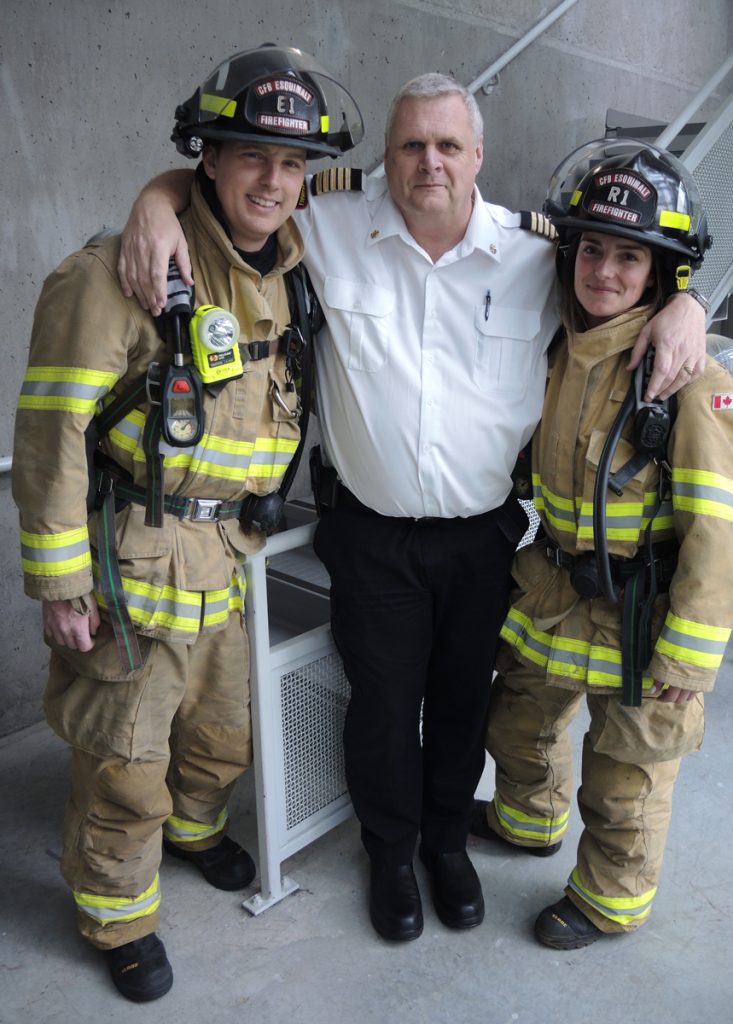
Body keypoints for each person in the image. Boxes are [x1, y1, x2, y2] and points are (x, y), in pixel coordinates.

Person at [117, 74, 709, 944]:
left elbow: (634, 264)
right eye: (409, 145)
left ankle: (444, 844)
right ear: (384, 157)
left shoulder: (540, 252)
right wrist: (152, 201)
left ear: (479, 157)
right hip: (372, 533)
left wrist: (690, 301)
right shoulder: (323, 223)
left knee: (465, 699)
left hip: (486, 537)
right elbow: (224, 185)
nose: (427, 161)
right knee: (384, 706)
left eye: (446, 145)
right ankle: (391, 853)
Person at [11, 46, 362, 1001]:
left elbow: (424, 187)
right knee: (126, 757)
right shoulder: (115, 274)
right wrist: (62, 584)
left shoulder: (292, 269)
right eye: (251, 154)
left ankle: (197, 830)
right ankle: (117, 916)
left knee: (221, 738)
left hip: (231, 559)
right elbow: (50, 436)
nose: (274, 180)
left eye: (292, 164)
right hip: (135, 566)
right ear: (206, 155)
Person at [470, 138, 733, 949]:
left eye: (631, 257)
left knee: (625, 778)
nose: (604, 271)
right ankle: (528, 822)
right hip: (554, 586)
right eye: (592, 248)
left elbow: (715, 536)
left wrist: (688, 665)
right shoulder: (560, 341)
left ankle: (607, 903)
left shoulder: (691, 379)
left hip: (643, 614)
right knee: (517, 723)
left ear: (662, 273)